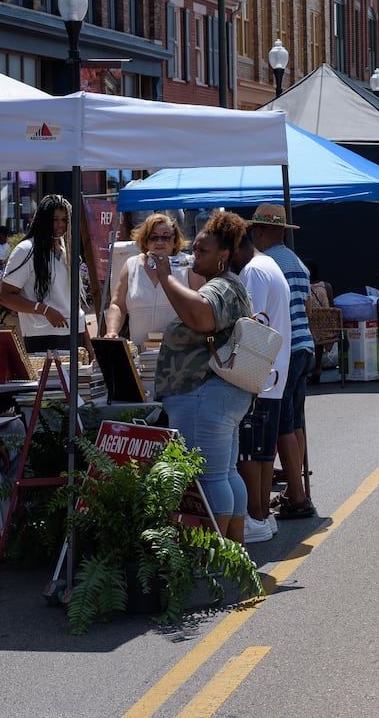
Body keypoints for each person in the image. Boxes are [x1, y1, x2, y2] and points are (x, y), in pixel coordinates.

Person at [152, 211, 255, 543]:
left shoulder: (222, 286)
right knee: (224, 474)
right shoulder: (223, 284)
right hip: (217, 394)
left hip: (203, 393)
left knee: (209, 479)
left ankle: (213, 561)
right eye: (194, 250)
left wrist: (166, 277)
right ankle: (234, 556)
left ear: (223, 255)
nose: (195, 256)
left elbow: (200, 316)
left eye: (203, 252)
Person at [247, 204, 317, 521]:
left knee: (283, 425)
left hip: (284, 349)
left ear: (262, 231)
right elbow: (310, 306)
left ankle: (298, 496)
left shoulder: (267, 264)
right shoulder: (297, 262)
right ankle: (295, 489)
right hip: (305, 345)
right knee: (295, 421)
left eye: (255, 231)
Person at [230, 210, 293, 545]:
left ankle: (255, 514)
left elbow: (248, 322)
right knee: (263, 451)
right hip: (273, 370)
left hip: (259, 371)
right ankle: (261, 515)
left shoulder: (254, 270)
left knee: (252, 453)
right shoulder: (269, 265)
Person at [105, 213, 202, 347]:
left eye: (165, 237)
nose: (159, 242)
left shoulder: (189, 264)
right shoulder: (131, 265)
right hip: (140, 353)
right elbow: (118, 305)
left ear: (174, 240)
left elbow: (201, 306)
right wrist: (111, 332)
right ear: (145, 241)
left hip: (178, 351)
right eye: (154, 237)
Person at [0, 195, 77, 354]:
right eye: (54, 219)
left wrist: (88, 344)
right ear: (42, 219)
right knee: (51, 380)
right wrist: (44, 309)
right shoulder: (26, 250)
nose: (60, 225)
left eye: (64, 219)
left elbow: (73, 300)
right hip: (42, 336)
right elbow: (6, 296)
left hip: (75, 333)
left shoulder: (66, 249)